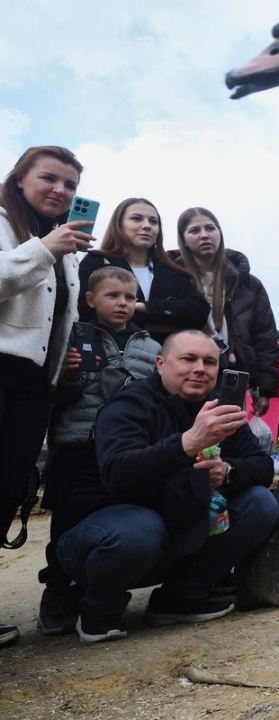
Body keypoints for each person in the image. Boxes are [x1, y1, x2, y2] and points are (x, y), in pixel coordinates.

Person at [51, 330, 278, 645]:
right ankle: (98, 609)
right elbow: (118, 475)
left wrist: (227, 471)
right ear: (160, 363)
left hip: (171, 535)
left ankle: (182, 597)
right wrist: (187, 444)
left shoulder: (217, 410)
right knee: (142, 527)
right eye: (188, 359)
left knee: (260, 502)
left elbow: (263, 465)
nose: (200, 368)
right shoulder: (128, 406)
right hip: (97, 539)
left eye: (209, 362)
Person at [0, 145, 92, 647]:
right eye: (49, 178)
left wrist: (61, 365)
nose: (60, 190)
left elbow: (58, 319)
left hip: (34, 383)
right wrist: (46, 249)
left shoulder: (63, 244)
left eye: (71, 184)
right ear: (20, 179)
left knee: (8, 488)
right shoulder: (11, 225)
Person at [37, 266, 161, 635]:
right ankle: (58, 590)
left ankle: (100, 586)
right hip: (78, 447)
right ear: (90, 299)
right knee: (67, 521)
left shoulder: (151, 346)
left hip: (126, 450)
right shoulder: (72, 336)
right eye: (112, 296)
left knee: (118, 516)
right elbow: (53, 395)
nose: (122, 304)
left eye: (130, 297)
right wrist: (69, 374)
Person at [173, 207, 279, 410]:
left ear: (220, 233)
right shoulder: (171, 277)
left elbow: (264, 336)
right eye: (194, 231)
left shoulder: (248, 284)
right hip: (185, 371)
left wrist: (263, 389)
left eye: (210, 228)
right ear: (183, 239)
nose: (204, 235)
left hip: (231, 373)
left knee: (227, 433)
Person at [78, 198, 209, 345]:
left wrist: (145, 308)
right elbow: (83, 311)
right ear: (119, 224)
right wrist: (165, 320)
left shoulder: (173, 271)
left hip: (166, 359)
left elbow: (199, 313)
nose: (147, 226)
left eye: (153, 221)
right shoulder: (95, 262)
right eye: (136, 218)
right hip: (107, 353)